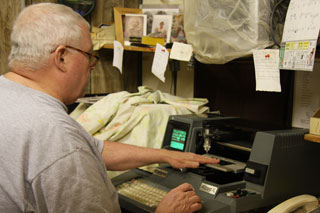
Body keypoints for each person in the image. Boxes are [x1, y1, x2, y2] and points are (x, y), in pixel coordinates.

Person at [0, 3, 219, 213]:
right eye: (89, 56)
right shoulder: (56, 134)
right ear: (62, 56)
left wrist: (165, 155)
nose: (92, 65)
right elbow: (69, 151)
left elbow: (93, 149)